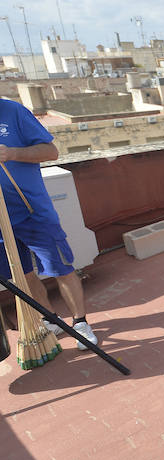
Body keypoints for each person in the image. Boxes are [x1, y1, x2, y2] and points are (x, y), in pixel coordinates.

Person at [0, 99, 100, 349]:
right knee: (22, 275)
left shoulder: (13, 111)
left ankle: (80, 322)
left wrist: (12, 153)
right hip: (1, 222)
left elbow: (50, 151)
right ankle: (50, 319)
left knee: (60, 268)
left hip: (32, 211)